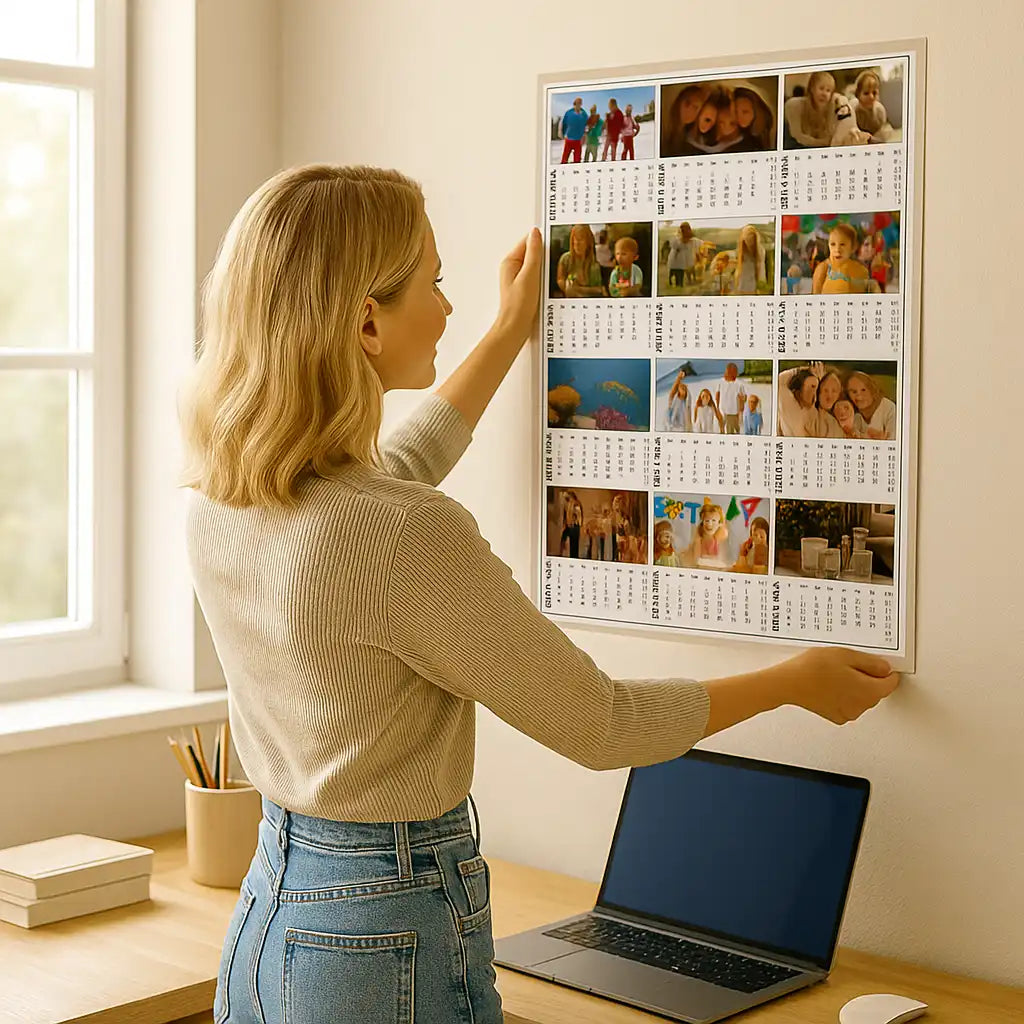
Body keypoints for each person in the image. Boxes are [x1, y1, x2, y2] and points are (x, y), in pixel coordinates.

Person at [180, 164, 899, 1022]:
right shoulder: (403, 534)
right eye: (434, 282)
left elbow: (380, 490)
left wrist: (507, 333)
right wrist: (793, 682)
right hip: (384, 941)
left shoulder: (221, 496)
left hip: (272, 921)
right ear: (367, 321)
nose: (447, 305)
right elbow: (603, 724)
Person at [778, 364, 844, 438]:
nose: (813, 391)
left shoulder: (829, 419)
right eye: (812, 386)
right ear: (799, 389)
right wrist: (805, 369)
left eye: (834, 391)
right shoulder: (791, 406)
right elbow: (779, 381)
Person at [784, 70, 837, 148]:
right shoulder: (795, 106)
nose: (824, 94)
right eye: (821, 88)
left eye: (828, 90)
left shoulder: (832, 107)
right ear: (812, 89)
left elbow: (830, 136)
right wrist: (823, 143)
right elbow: (797, 135)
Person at [813, 223, 870, 294]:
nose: (837, 250)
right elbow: (815, 298)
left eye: (842, 244)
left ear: (853, 247)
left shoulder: (862, 270)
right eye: (833, 244)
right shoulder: (823, 268)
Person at [846, 370, 897, 440]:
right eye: (854, 392)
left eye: (863, 390)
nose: (859, 396)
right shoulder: (854, 415)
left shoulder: (890, 409)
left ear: (872, 389)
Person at [556, 223, 604, 297]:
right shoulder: (565, 259)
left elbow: (599, 289)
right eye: (575, 239)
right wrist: (566, 287)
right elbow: (560, 279)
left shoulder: (593, 265)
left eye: (581, 239)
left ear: (588, 242)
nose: (577, 243)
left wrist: (578, 289)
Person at [663, 83, 707, 156]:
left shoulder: (694, 145)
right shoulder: (666, 132)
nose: (689, 109)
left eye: (696, 107)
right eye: (687, 103)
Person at [667, 222, 710, 288]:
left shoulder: (694, 241)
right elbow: (674, 246)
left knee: (684, 276)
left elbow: (703, 246)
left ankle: (686, 283)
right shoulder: (676, 241)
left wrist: (703, 255)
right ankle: (677, 286)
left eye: (686, 230)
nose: (684, 232)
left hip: (686, 263)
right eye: (683, 230)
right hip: (676, 263)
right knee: (678, 278)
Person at [851, 70, 888, 139]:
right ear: (858, 94)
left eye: (874, 93)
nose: (871, 97)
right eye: (866, 93)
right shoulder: (853, 109)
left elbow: (880, 132)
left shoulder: (880, 111)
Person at [732, 224, 767, 294]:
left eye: (751, 239)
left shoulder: (760, 251)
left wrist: (760, 285)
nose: (749, 242)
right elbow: (738, 269)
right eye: (747, 239)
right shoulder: (741, 251)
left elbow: (761, 269)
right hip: (741, 285)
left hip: (752, 285)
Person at [715, 363, 747, 435]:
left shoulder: (739, 384)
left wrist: (742, 400)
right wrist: (717, 409)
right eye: (727, 371)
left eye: (728, 371)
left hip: (733, 413)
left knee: (731, 434)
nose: (726, 373)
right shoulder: (721, 382)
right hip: (722, 412)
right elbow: (717, 396)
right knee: (723, 433)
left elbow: (744, 398)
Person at [560, 96, 589, 164]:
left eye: (580, 103)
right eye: (577, 103)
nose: (579, 105)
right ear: (574, 104)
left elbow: (587, 125)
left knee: (577, 160)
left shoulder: (584, 114)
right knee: (564, 159)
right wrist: (563, 134)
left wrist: (585, 136)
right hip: (569, 140)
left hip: (578, 141)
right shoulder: (569, 113)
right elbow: (564, 124)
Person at [560, 490, 583, 558]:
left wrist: (576, 523)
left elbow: (578, 515)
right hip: (570, 525)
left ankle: (573, 558)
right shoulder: (570, 503)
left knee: (574, 544)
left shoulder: (575, 503)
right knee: (570, 543)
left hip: (574, 526)